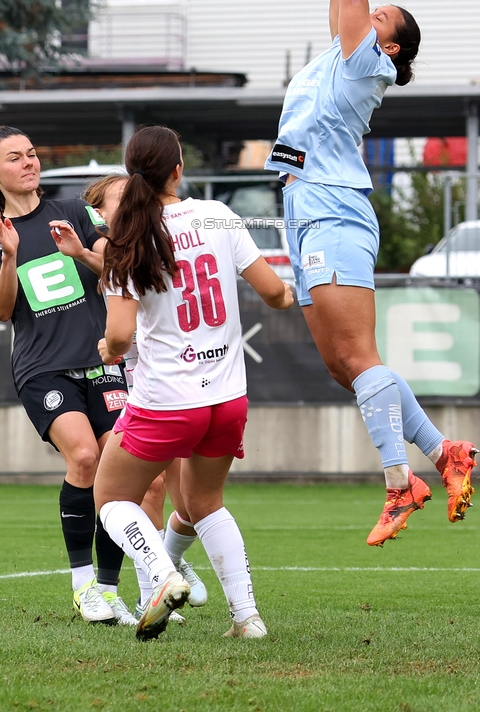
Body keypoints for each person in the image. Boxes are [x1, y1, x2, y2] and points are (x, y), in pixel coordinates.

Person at [264, 0, 478, 546]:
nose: (367, 6)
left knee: (359, 354)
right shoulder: (342, 53)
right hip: (304, 211)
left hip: (331, 208)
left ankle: (398, 482)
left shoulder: (365, 61)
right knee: (340, 366)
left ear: (388, 43)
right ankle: (446, 454)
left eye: (380, 13)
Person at [93, 125, 294, 640]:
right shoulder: (219, 215)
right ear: (178, 171)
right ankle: (247, 619)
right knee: (207, 504)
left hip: (165, 399)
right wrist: (293, 298)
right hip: (226, 397)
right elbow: (273, 293)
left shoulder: (128, 237)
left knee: (110, 498)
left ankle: (161, 575)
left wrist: (110, 350)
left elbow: (118, 333)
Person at [0, 126, 134, 624]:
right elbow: (1, 311)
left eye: (33, 154)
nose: (29, 163)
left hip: (102, 361)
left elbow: (114, 266)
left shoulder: (74, 212)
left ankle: (109, 590)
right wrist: (11, 256)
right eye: (15, 158)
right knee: (84, 456)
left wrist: (80, 252)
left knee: (118, 471)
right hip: (43, 370)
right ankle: (82, 584)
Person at [83, 174, 208, 624]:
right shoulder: (112, 248)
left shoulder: (148, 243)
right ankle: (155, 583)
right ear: (100, 214)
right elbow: (116, 275)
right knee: (148, 489)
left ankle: (168, 561)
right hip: (142, 390)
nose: (134, 198)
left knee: (191, 504)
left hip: (179, 390)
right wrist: (82, 253)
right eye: (120, 196)